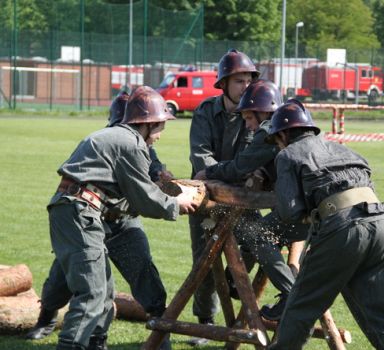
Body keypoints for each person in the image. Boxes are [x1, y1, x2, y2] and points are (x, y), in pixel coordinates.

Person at [266, 99, 384, 349]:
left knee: (301, 307)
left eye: (277, 141)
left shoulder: (288, 155)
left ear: (284, 134)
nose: (278, 146)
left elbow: (290, 212)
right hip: (380, 224)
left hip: (342, 229)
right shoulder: (346, 151)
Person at [46, 86, 198, 350]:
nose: (160, 136)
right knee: (92, 294)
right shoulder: (130, 143)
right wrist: (177, 202)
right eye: (160, 127)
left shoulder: (121, 138)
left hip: (80, 211)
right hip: (80, 212)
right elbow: (144, 197)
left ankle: (94, 344)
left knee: (102, 293)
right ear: (148, 123)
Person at [195, 79, 310, 320]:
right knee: (254, 230)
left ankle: (291, 294)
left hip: (303, 212)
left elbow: (240, 166)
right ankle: (237, 282)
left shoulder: (269, 130)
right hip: (316, 210)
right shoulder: (294, 126)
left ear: (263, 112)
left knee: (256, 235)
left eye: (248, 118)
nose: (247, 126)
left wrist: (210, 172)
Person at [188, 49, 259, 346]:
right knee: (204, 262)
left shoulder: (256, 113)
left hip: (244, 199)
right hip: (206, 198)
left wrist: (245, 177)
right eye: (239, 81)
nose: (246, 86)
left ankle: (231, 281)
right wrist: (232, 176)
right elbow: (200, 156)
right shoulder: (205, 111)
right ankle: (206, 322)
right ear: (224, 84)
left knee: (259, 242)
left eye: (248, 80)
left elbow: (255, 159)